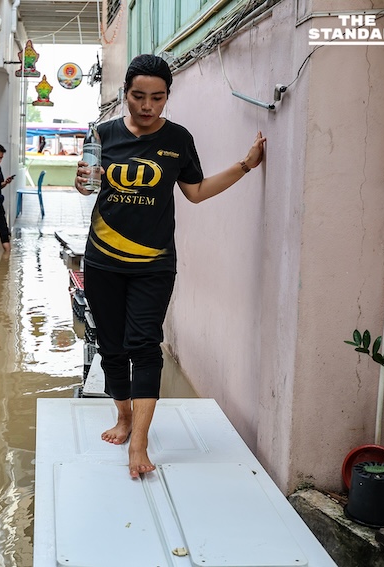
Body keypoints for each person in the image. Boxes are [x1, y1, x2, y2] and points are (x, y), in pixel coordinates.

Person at [74, 54, 266, 479]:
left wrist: (246, 165)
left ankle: (138, 440)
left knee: (145, 345)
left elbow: (195, 192)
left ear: (166, 98)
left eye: (157, 98)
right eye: (138, 96)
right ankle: (123, 416)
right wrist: (81, 179)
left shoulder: (178, 139)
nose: (147, 106)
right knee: (110, 345)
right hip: (103, 259)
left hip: (154, 263)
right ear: (124, 94)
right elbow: (89, 183)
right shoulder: (102, 134)